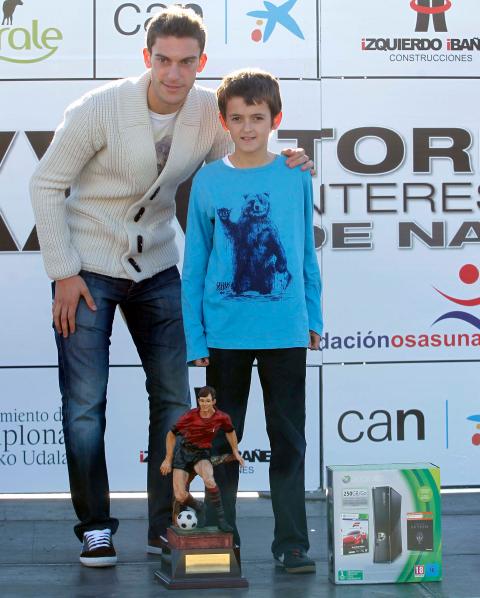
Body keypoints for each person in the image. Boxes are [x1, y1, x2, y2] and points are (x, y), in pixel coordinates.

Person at [29, 6, 310, 568]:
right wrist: (62, 270)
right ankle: (95, 528)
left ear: (201, 63)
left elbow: (236, 163)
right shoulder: (99, 108)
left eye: (186, 62)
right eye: (163, 60)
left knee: (176, 405)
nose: (174, 73)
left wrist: (289, 160)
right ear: (147, 58)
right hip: (87, 267)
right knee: (85, 406)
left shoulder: (210, 111)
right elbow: (45, 183)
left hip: (157, 267)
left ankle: (168, 525)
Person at [181, 68, 323, 574]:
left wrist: (314, 314)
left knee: (289, 439)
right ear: (223, 121)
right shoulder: (209, 181)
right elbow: (195, 264)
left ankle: (291, 544)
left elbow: (305, 252)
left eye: (257, 118)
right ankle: (223, 537)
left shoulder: (293, 174)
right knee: (222, 441)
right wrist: (196, 335)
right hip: (225, 336)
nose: (247, 127)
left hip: (285, 330)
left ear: (275, 119)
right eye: (237, 118)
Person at [160, 385, 244, 532]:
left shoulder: (222, 417)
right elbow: (171, 434)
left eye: (207, 401)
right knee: (179, 495)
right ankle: (199, 507)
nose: (204, 404)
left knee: (209, 479)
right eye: (201, 401)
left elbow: (230, 432)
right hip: (184, 454)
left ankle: (222, 520)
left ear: (214, 401)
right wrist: (168, 458)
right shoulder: (190, 415)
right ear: (198, 401)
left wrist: (235, 451)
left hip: (202, 454)